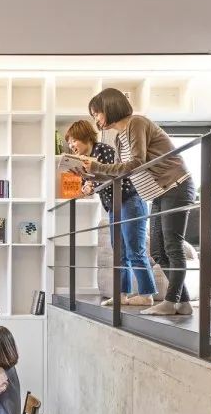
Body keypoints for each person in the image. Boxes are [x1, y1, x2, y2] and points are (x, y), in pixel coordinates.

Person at [80, 88, 195, 316]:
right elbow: (120, 173)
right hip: (159, 193)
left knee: (172, 246)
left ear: (109, 108)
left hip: (176, 186)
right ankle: (183, 302)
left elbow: (136, 163)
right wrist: (89, 175)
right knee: (158, 251)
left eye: (97, 113)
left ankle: (171, 301)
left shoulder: (137, 123)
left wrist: (96, 167)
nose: (97, 120)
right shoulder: (119, 139)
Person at [65, 120, 156, 307]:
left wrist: (92, 181)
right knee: (119, 252)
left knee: (134, 249)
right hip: (114, 206)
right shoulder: (84, 161)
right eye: (69, 142)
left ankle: (147, 295)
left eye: (74, 140)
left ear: (85, 137)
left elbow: (114, 175)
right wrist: (86, 187)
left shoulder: (103, 150)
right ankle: (121, 294)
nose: (71, 145)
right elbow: (92, 183)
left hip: (130, 200)